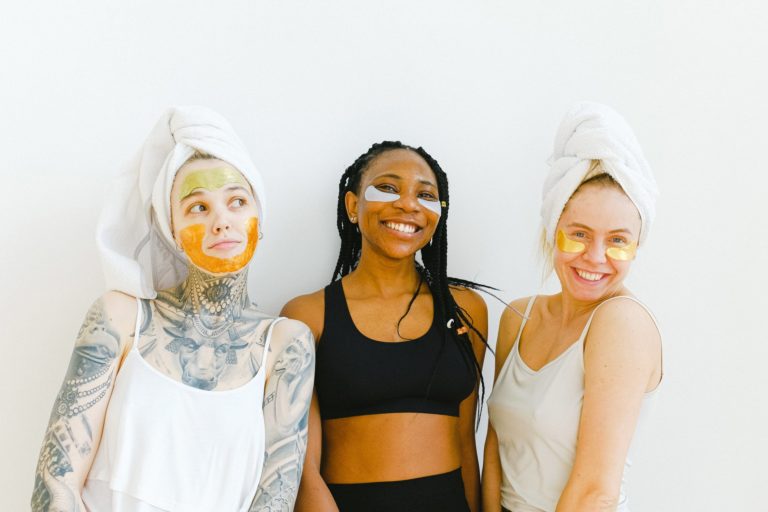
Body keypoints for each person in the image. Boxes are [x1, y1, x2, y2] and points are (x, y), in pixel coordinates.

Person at [30, 106, 315, 512]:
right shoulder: (120, 318)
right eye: (198, 207)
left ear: (259, 218)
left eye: (237, 201)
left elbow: (277, 495)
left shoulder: (287, 343)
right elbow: (55, 483)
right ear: (172, 231)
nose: (222, 221)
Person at [282, 141, 488, 512]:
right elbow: (301, 467)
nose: (408, 204)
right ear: (352, 206)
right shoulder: (308, 316)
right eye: (388, 188)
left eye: (425, 194)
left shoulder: (465, 310)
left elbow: (466, 444)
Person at [482, 102, 663, 512]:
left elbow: (595, 491)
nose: (596, 257)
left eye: (618, 240)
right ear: (553, 230)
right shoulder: (518, 317)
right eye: (578, 234)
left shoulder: (621, 323)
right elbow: (496, 449)